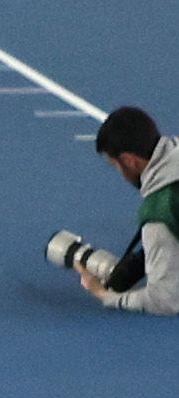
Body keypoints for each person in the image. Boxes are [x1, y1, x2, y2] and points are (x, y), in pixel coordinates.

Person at [45, 105, 179, 312]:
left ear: (129, 161)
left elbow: (166, 301)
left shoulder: (159, 215)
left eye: (115, 165)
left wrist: (105, 295)